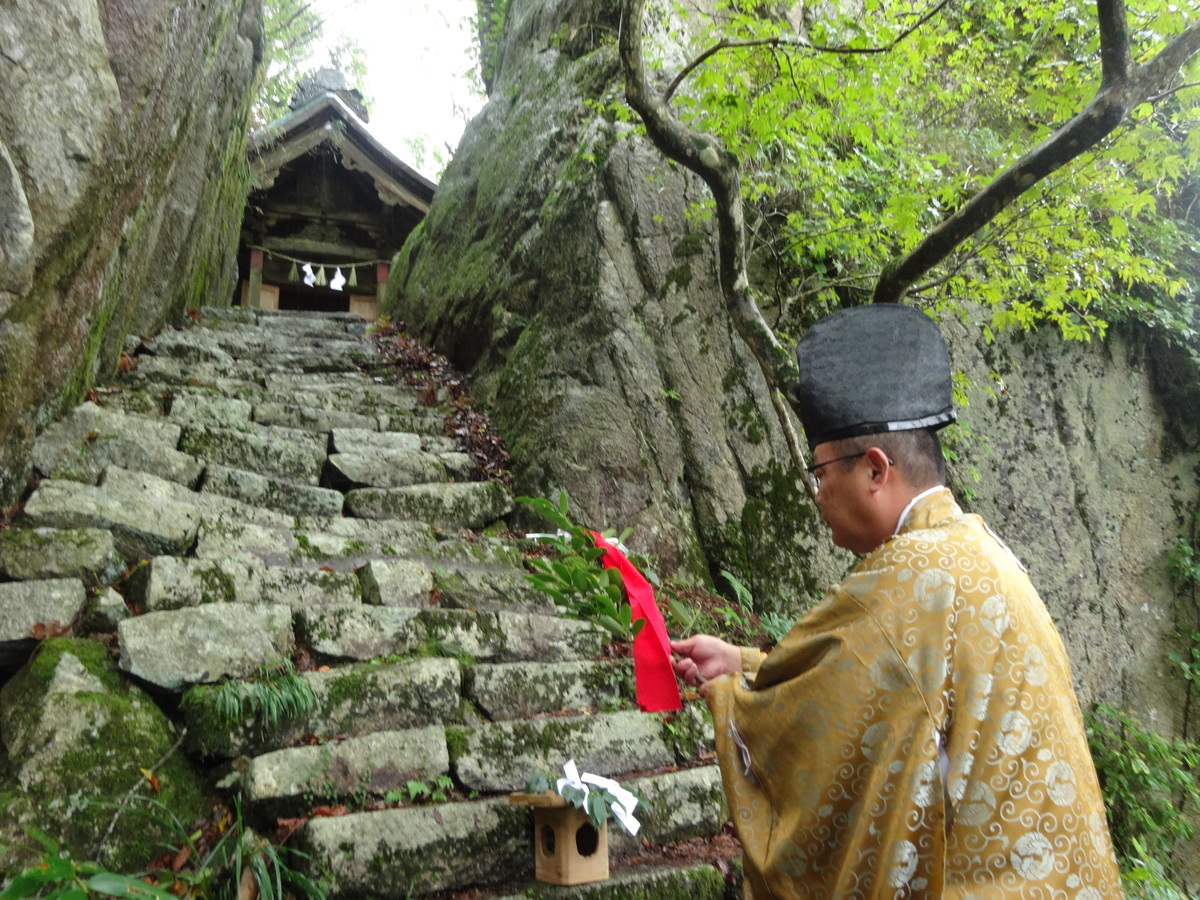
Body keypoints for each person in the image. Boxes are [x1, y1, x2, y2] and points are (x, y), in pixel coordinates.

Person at [672, 305, 1121, 898]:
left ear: (875, 470)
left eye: (821, 471)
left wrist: (734, 700)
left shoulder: (911, 577)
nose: (817, 492)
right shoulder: (982, 551)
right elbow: (869, 685)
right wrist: (744, 664)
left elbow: (821, 731)